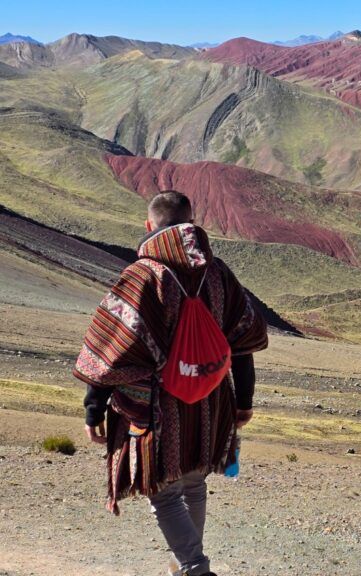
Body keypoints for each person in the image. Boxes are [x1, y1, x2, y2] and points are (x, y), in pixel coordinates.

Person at [73, 191, 268, 576]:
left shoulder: (142, 275)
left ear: (149, 227)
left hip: (157, 403)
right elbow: (243, 341)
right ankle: (186, 567)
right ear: (192, 222)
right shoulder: (219, 274)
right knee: (194, 481)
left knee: (163, 491)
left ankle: (195, 568)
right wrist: (243, 401)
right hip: (211, 398)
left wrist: (94, 407)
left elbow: (113, 348)